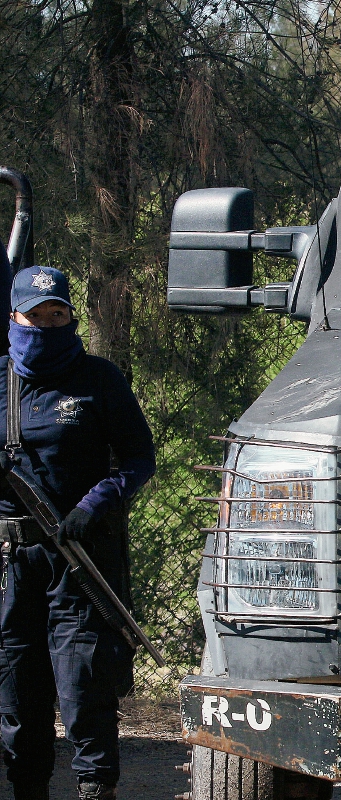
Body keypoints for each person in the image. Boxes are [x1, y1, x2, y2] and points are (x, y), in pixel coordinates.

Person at [0, 266, 155, 800]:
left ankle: (94, 787)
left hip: (78, 559)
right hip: (11, 563)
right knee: (17, 689)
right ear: (14, 318)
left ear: (70, 316)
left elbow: (138, 458)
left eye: (57, 314)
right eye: (35, 317)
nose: (47, 325)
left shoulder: (99, 379)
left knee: (83, 684)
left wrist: (96, 503)